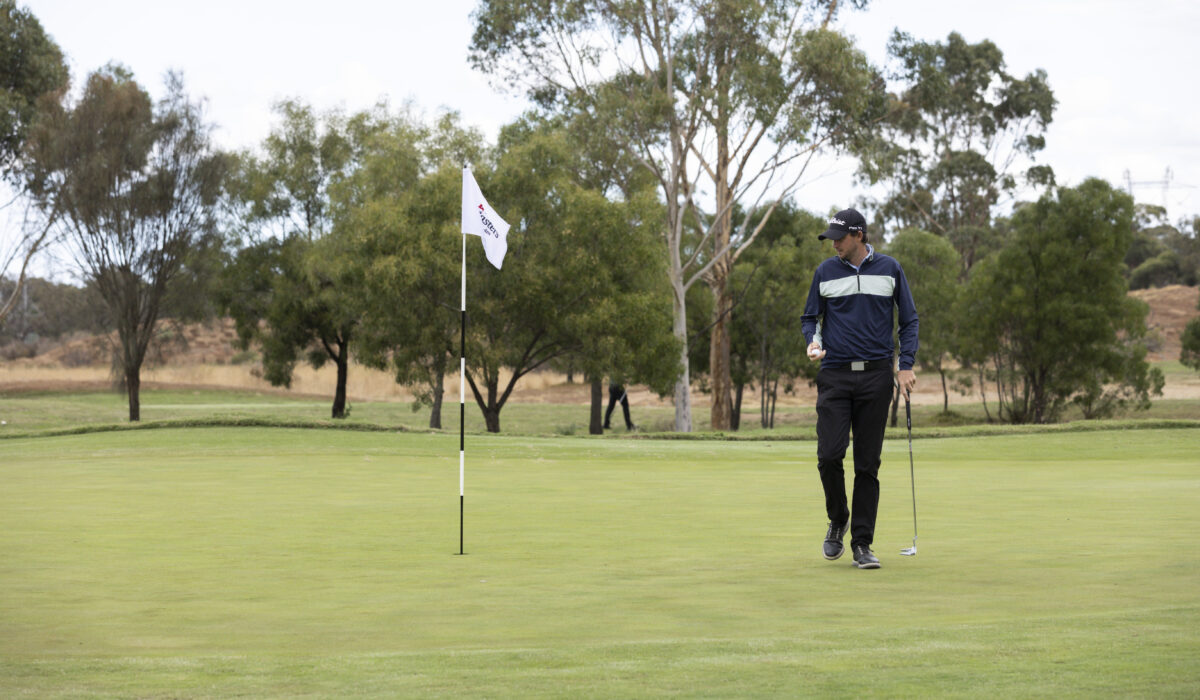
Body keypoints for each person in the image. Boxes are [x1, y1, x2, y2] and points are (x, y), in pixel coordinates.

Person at [800, 208, 918, 570]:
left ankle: (862, 544)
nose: (834, 244)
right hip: (835, 374)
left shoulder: (890, 268)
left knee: (867, 464)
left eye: (839, 238)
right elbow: (810, 317)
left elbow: (908, 319)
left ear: (859, 236)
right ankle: (838, 519)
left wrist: (905, 365)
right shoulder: (825, 272)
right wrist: (813, 342)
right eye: (831, 238)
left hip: (876, 377)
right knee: (829, 455)